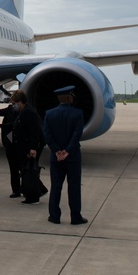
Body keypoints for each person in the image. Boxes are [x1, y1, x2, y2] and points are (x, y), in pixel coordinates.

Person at [43, 85, 87, 224]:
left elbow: (48, 136)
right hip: (72, 157)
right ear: (69, 98)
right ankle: (75, 217)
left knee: (56, 186)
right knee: (74, 187)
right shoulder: (78, 113)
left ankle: (54, 216)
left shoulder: (49, 114)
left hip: (56, 158)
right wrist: (67, 151)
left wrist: (57, 151)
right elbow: (76, 135)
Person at [9, 90, 46, 204]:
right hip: (25, 146)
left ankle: (33, 197)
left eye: (13, 103)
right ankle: (40, 190)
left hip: (30, 147)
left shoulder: (28, 112)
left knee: (29, 171)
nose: (13, 106)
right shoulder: (23, 110)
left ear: (20, 102)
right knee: (28, 170)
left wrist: (33, 148)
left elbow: (34, 132)